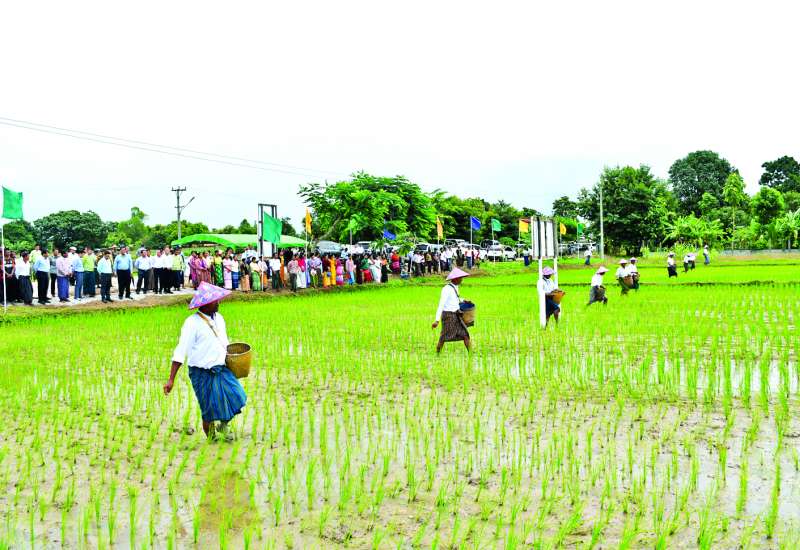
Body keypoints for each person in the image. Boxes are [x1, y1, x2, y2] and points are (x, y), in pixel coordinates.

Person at [164, 282, 246, 440]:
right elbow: (181, 351)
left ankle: (223, 425)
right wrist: (171, 379)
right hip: (201, 373)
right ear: (206, 304)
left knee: (237, 397)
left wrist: (233, 359)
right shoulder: (192, 323)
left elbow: (224, 342)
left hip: (221, 368)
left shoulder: (219, 319)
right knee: (208, 410)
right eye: (215, 300)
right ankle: (212, 440)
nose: (218, 302)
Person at [432, 267, 471, 353]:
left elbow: (455, 299)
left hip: (456, 315)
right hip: (448, 316)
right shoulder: (446, 289)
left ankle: (471, 355)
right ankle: (437, 353)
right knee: (443, 337)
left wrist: (464, 300)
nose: (462, 280)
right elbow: (441, 304)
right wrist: (437, 320)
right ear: (455, 279)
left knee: (465, 334)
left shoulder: (455, 287)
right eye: (460, 278)